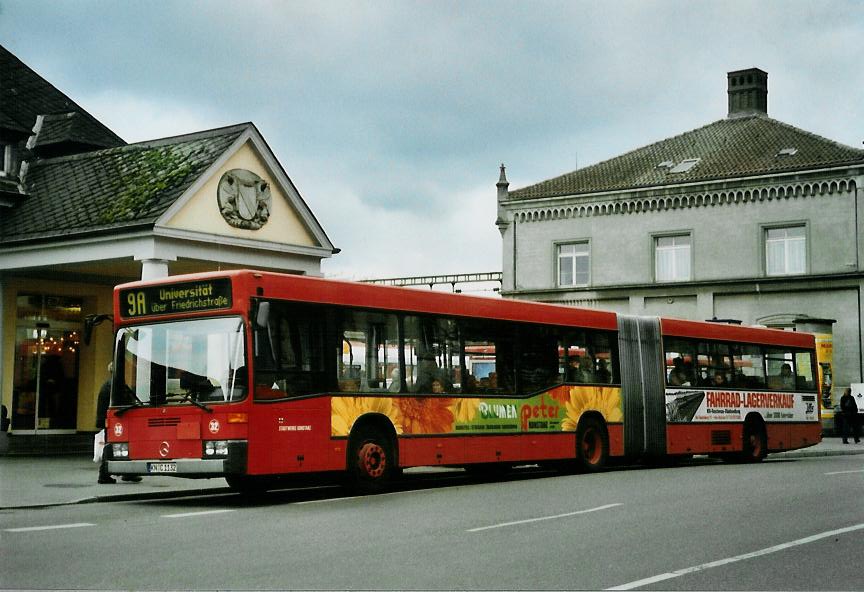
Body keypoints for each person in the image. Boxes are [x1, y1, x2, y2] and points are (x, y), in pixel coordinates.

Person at [96, 362, 141, 484]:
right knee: (111, 447)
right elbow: (125, 401)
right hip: (116, 421)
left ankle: (128, 473)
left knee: (121, 446)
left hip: (110, 420)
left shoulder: (109, 385)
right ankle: (104, 474)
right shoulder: (115, 386)